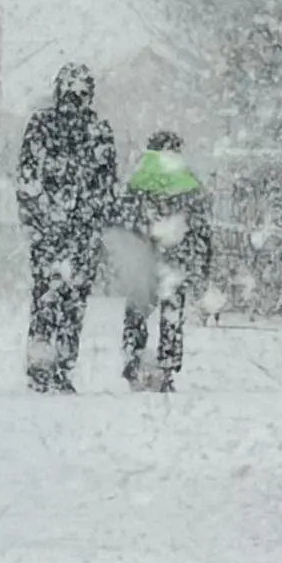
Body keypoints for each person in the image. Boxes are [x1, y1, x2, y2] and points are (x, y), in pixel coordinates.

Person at [15, 61, 119, 392]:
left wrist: (36, 218)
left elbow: (27, 179)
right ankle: (56, 364)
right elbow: (107, 188)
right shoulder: (97, 130)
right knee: (69, 300)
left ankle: (45, 364)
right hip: (76, 231)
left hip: (59, 230)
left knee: (51, 298)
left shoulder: (43, 125)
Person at [118, 127, 213, 391]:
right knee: (171, 311)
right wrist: (201, 258)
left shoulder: (137, 177)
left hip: (143, 253)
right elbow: (200, 222)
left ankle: (133, 360)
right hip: (175, 256)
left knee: (137, 307)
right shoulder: (187, 180)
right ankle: (167, 367)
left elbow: (122, 215)